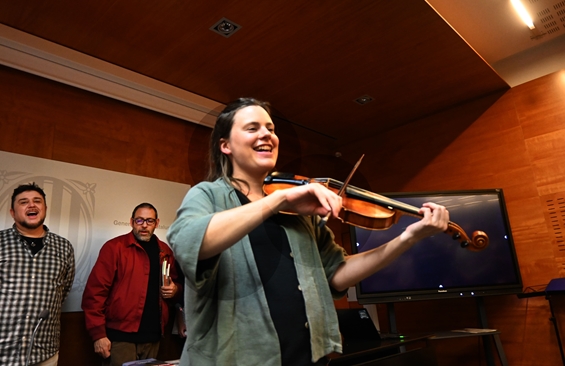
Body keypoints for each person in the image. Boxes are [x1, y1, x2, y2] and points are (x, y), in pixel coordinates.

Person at [166, 98, 450, 366]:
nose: (267, 134)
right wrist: (279, 200)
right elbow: (191, 242)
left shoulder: (299, 210)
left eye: (271, 128)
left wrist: (407, 238)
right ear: (225, 145)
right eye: (252, 128)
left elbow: (337, 273)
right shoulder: (208, 195)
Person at [82, 203, 181, 366]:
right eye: (139, 220)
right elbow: (94, 293)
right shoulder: (114, 248)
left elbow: (177, 286)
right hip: (120, 338)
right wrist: (98, 334)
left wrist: (175, 290)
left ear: (157, 223)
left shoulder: (165, 251)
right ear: (131, 222)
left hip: (154, 338)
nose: (144, 225)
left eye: (149, 221)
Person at [0, 182, 76, 366]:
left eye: (37, 201)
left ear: (45, 208)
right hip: (3, 351)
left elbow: (61, 293)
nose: (31, 205)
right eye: (23, 202)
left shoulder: (64, 247)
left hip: (44, 352)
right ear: (12, 212)